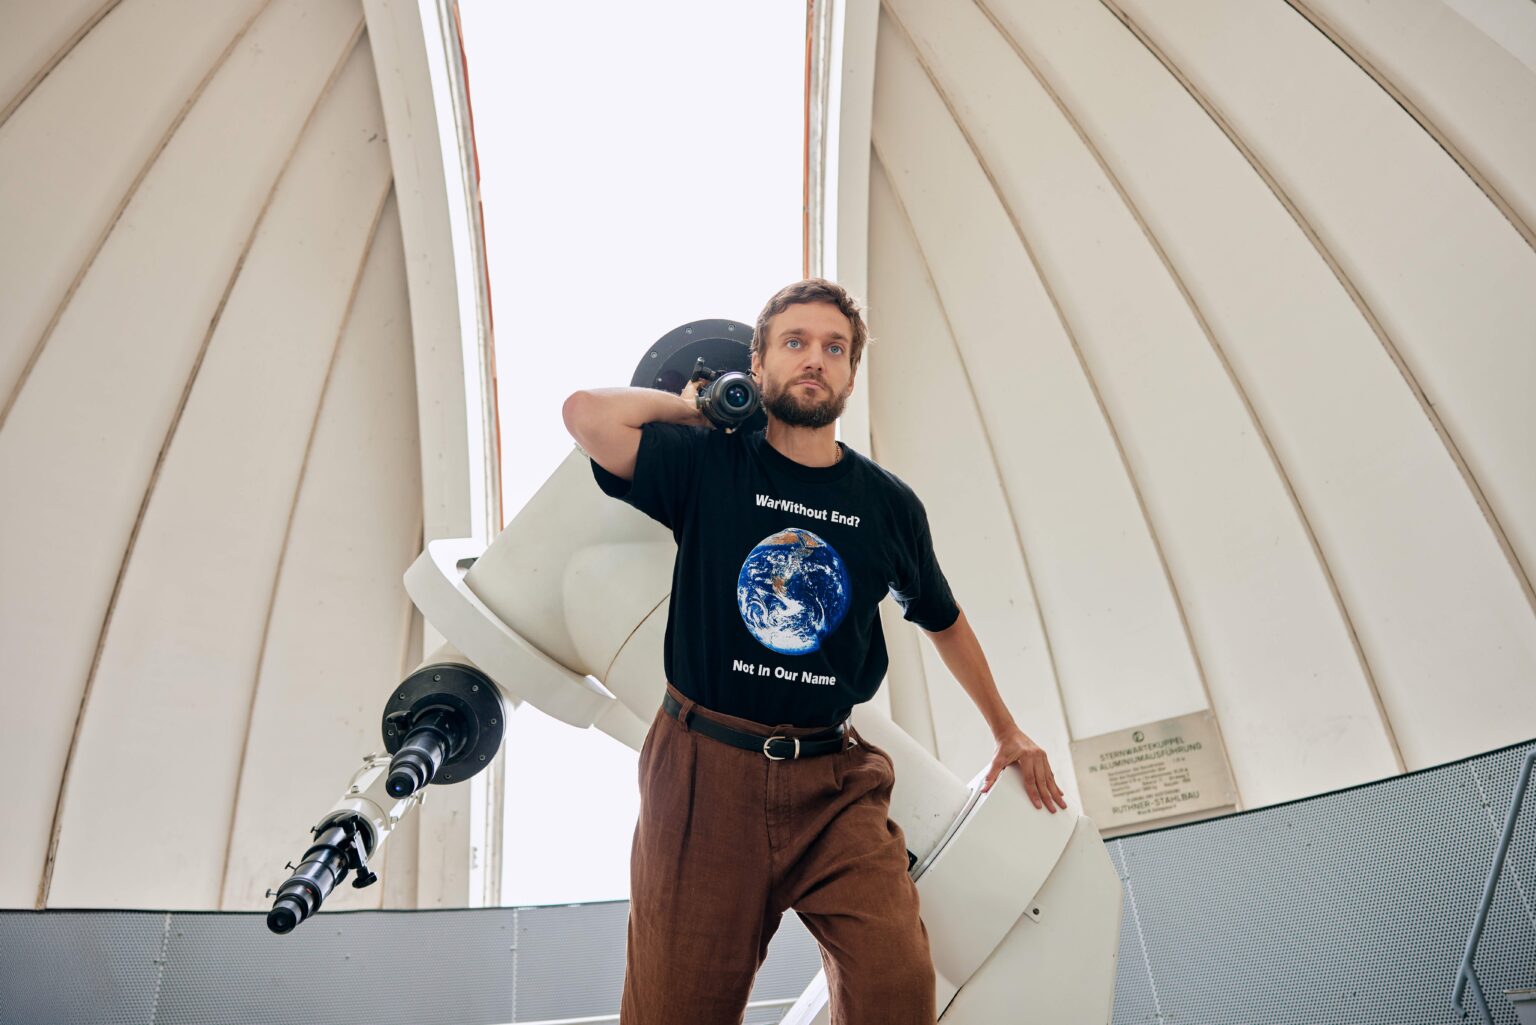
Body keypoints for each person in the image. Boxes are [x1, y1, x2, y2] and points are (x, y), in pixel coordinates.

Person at [562, 278, 1067, 1025]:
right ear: (757, 363)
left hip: (833, 780)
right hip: (704, 775)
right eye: (794, 342)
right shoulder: (709, 464)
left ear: (851, 377)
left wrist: (1006, 729)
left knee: (897, 986)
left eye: (835, 349)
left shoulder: (887, 504)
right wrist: (706, 407)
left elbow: (944, 618)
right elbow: (588, 416)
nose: (816, 360)